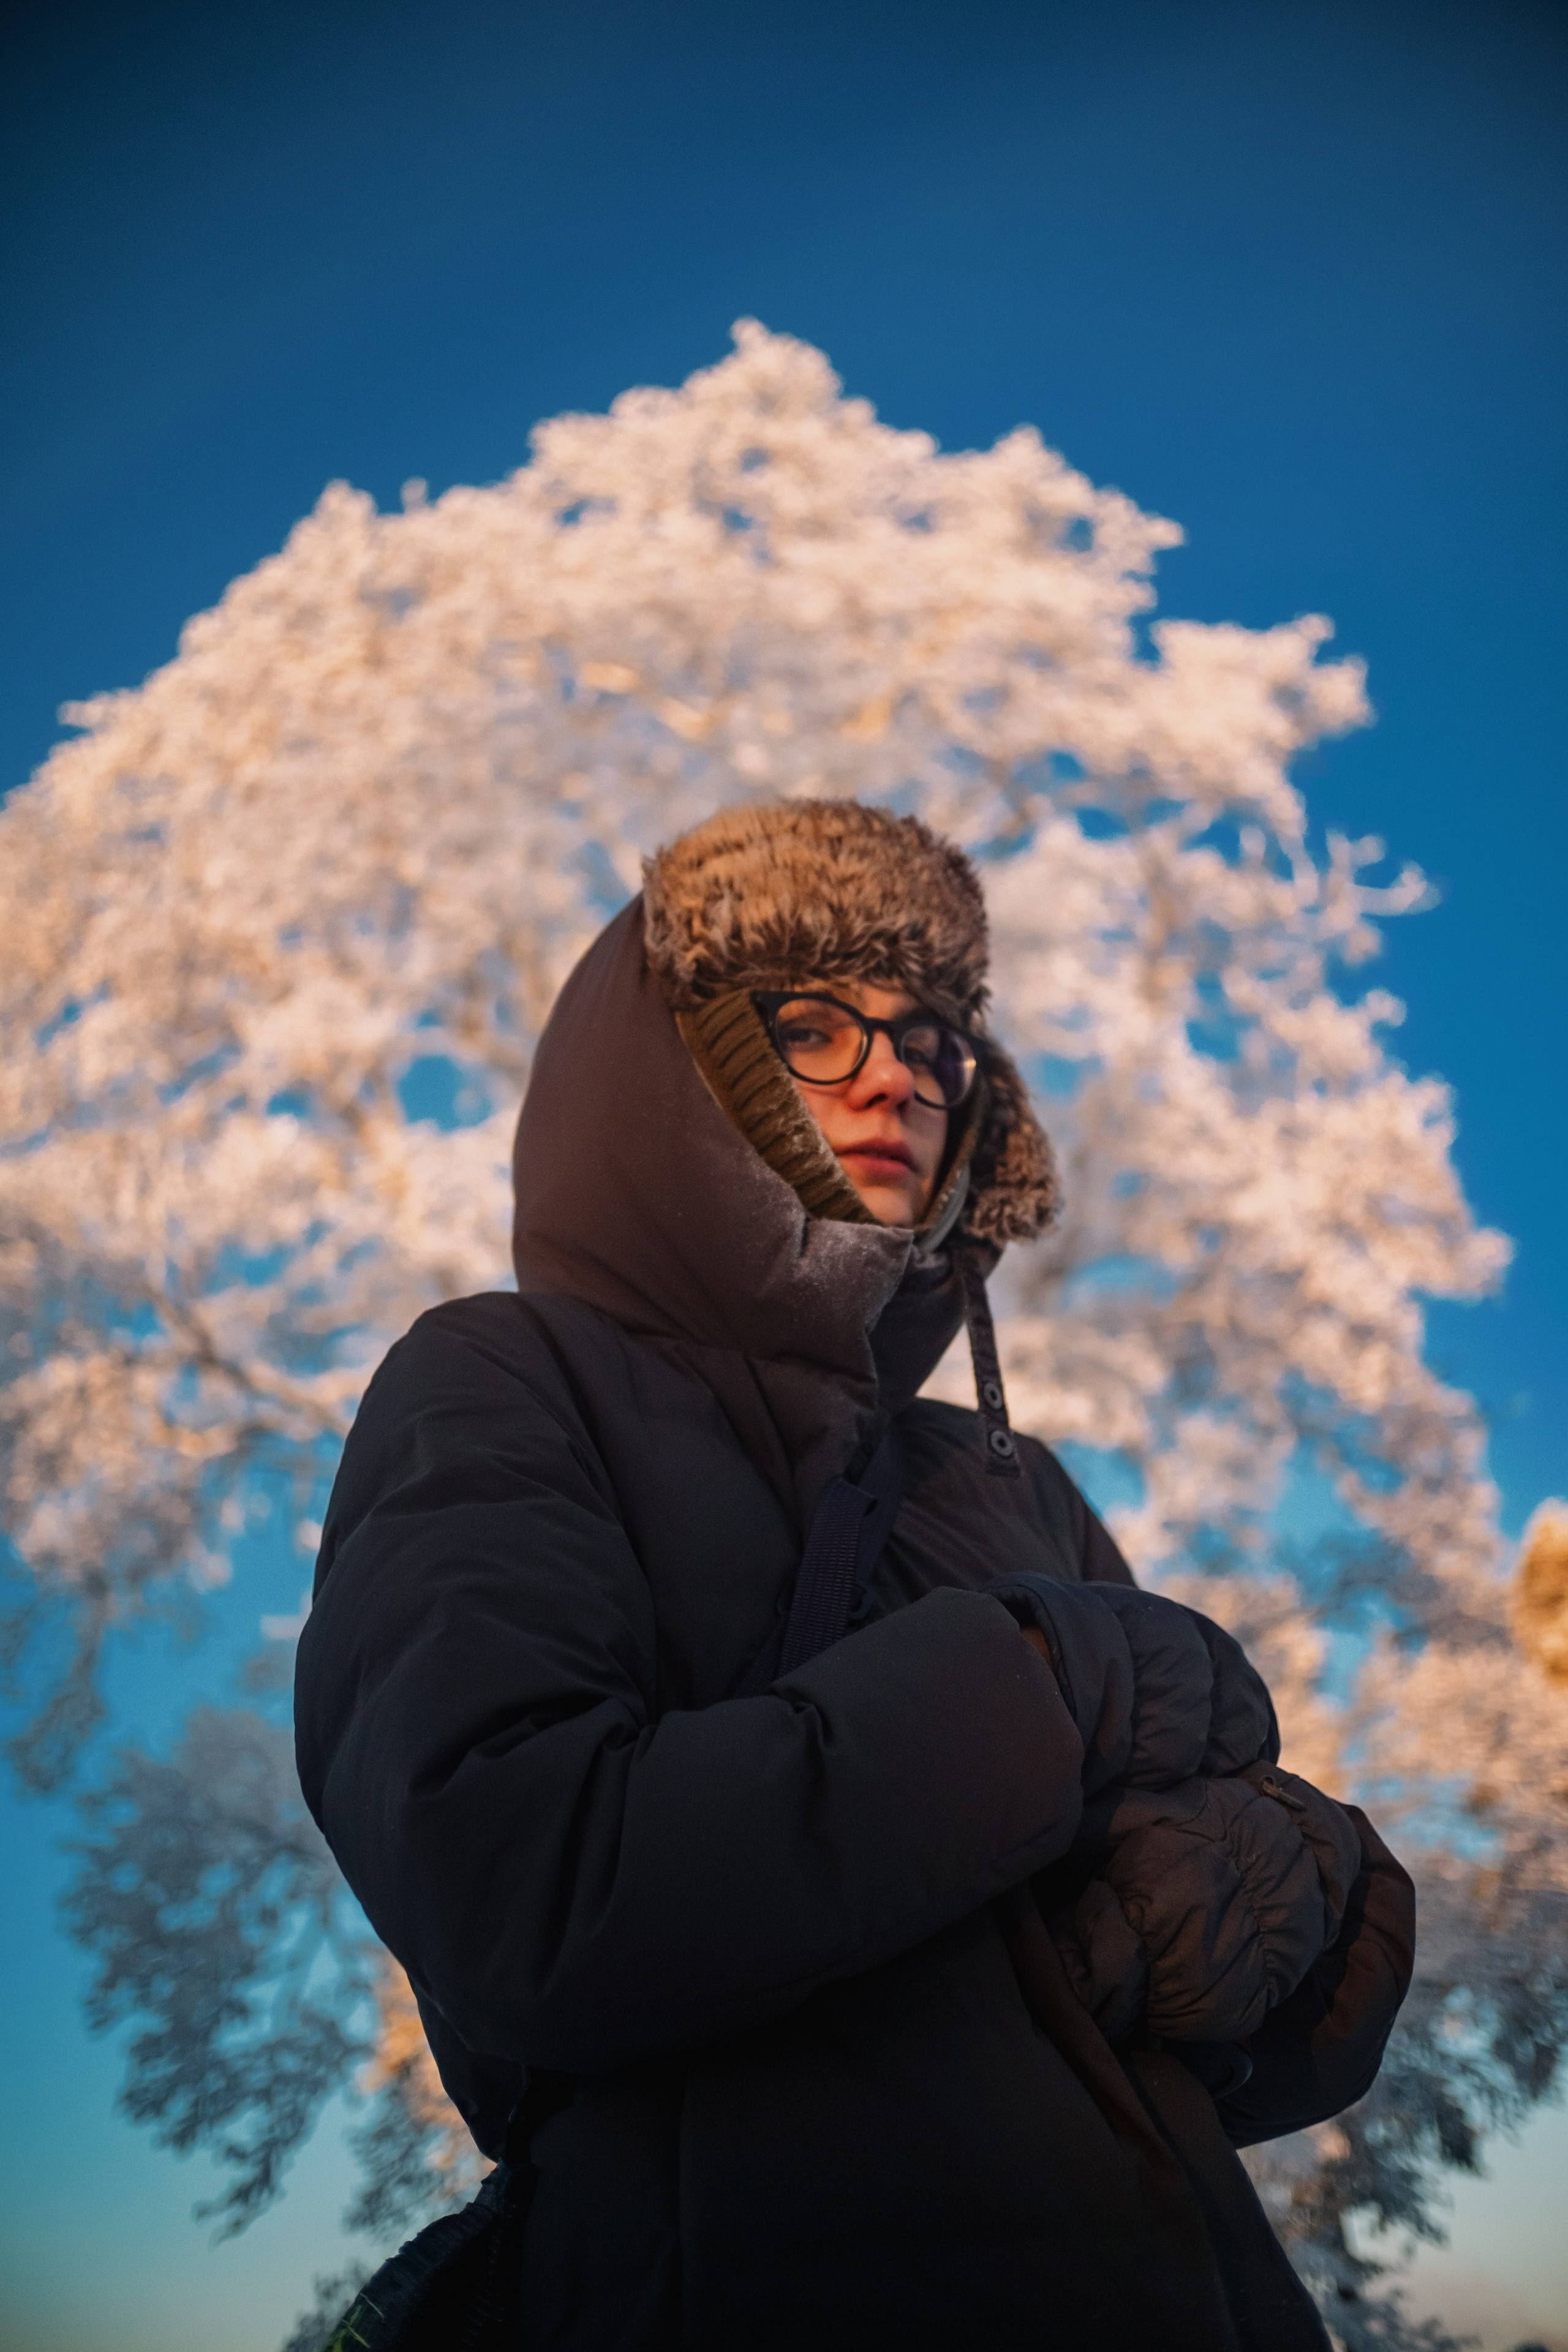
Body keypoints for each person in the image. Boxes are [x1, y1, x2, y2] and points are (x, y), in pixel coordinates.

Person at [295, 800, 1414, 2352]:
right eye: (814, 1026)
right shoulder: (502, 1381)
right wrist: (1048, 1673)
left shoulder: (1003, 1475)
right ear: (687, 1061)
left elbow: (1259, 1940)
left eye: (935, 1039)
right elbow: (521, 1883)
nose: (898, 1072)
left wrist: (1239, 1916)